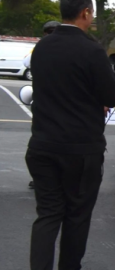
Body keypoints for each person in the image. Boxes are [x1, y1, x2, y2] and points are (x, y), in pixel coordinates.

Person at [22, 0, 115, 270]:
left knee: (48, 213)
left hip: (42, 144)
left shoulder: (42, 48)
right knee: (77, 214)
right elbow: (111, 96)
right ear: (85, 13)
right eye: (91, 13)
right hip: (79, 148)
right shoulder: (91, 51)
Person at [25, 20, 62, 190]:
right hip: (48, 104)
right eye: (48, 32)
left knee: (52, 142)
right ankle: (42, 177)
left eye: (53, 31)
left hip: (54, 105)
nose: (50, 34)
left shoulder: (42, 49)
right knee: (43, 142)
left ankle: (50, 177)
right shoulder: (42, 50)